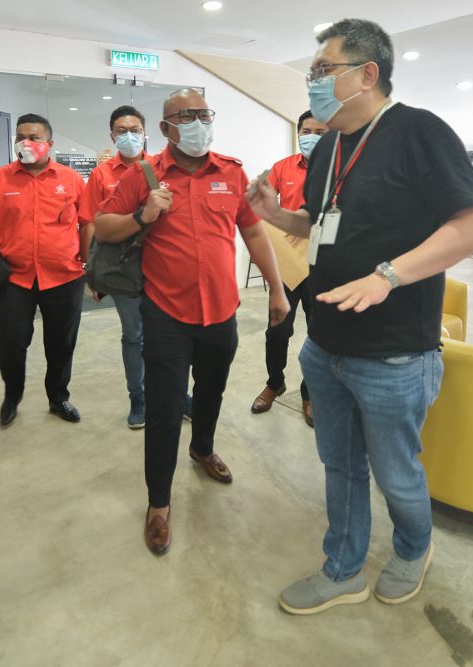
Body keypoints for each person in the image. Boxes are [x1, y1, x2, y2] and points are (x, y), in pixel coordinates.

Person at [247, 19, 473, 614]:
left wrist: (389, 277)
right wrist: (276, 216)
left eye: (322, 71)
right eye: (312, 74)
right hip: (325, 347)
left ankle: (413, 546)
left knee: (395, 471)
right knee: (340, 466)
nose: (313, 84)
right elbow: (324, 227)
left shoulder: (419, 132)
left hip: (394, 352)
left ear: (367, 73)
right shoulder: (329, 146)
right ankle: (344, 566)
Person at [96, 88, 289, 555]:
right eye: (187, 116)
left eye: (205, 114)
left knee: (211, 391)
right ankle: (158, 501)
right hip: (166, 313)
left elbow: (252, 230)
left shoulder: (231, 171)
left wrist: (277, 289)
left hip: (221, 312)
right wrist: (144, 214)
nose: (199, 123)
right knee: (164, 408)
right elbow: (103, 225)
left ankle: (202, 448)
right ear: (165, 128)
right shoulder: (144, 174)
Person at [0, 113, 87, 427]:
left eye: (33, 137)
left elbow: (87, 224)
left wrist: (86, 262)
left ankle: (58, 397)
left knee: (61, 342)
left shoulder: (71, 180)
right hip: (16, 279)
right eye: (20, 137)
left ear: (49, 143)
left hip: (64, 276)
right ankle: (12, 396)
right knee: (12, 342)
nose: (26, 143)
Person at [78, 105, 193, 429]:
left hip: (163, 267)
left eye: (135, 130)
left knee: (172, 337)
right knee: (134, 335)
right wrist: (92, 272)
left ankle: (178, 396)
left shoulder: (162, 168)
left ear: (146, 132)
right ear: (112, 135)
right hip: (123, 268)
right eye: (121, 131)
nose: (129, 136)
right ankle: (138, 398)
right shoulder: (102, 174)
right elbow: (90, 224)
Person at [249, 110, 329, 427]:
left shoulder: (340, 171)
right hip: (286, 265)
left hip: (322, 266)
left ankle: (310, 393)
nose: (312, 137)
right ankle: (274, 382)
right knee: (277, 329)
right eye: (307, 131)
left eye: (321, 132)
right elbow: (264, 208)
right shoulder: (284, 168)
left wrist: (310, 230)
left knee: (318, 334)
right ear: (299, 134)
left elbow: (346, 217)